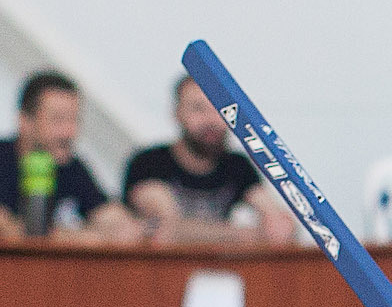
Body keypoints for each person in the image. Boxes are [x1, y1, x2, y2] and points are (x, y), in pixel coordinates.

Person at [124, 75, 296, 245]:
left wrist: (277, 224)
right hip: (159, 270)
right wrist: (250, 235)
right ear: (176, 113)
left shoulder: (237, 165)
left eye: (220, 110)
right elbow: (169, 229)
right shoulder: (148, 163)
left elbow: (279, 225)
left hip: (218, 270)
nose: (211, 119)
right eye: (198, 108)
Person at [0, 71, 139, 243]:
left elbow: (123, 228)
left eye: (74, 120)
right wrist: (82, 236)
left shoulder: (73, 167)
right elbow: (15, 234)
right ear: (25, 121)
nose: (69, 132)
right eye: (57, 120)